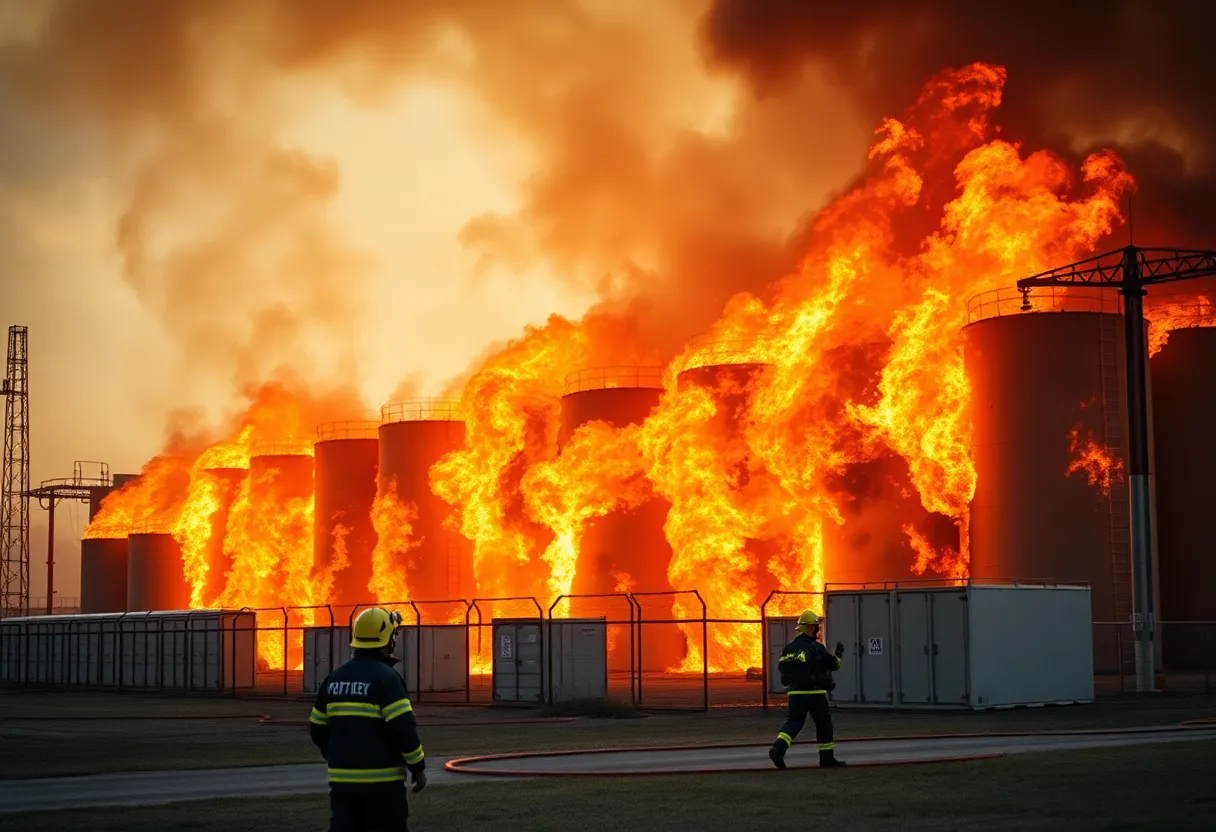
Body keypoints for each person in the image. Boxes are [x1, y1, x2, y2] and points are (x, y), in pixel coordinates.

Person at [310, 607, 427, 831]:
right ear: (389, 640)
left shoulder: (334, 678)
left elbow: (317, 729)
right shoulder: (387, 679)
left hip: (342, 782)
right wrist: (418, 768)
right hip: (383, 785)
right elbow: (403, 730)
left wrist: (339, 754)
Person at [769, 609, 847, 769]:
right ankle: (826, 759)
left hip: (795, 693)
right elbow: (834, 666)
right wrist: (839, 654)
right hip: (816, 694)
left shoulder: (789, 648)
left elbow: (782, 666)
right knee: (823, 724)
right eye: (815, 627)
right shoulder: (817, 648)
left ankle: (778, 748)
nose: (817, 630)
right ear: (809, 628)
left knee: (794, 722)